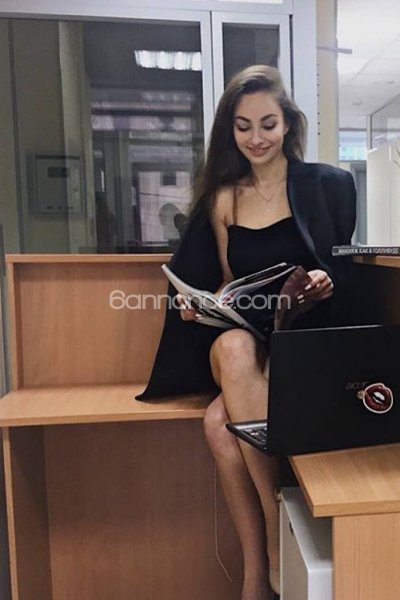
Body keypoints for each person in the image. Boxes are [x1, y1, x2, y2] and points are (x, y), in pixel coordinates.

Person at [138, 65, 356, 600]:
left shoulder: (324, 185)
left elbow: (348, 269)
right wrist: (200, 306)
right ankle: (281, 530)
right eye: (243, 126)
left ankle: (257, 576)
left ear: (288, 124)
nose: (256, 138)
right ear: (229, 130)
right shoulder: (224, 199)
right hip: (241, 340)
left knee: (219, 426)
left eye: (268, 124)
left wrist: (326, 279)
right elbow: (225, 280)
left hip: (298, 343)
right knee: (234, 346)